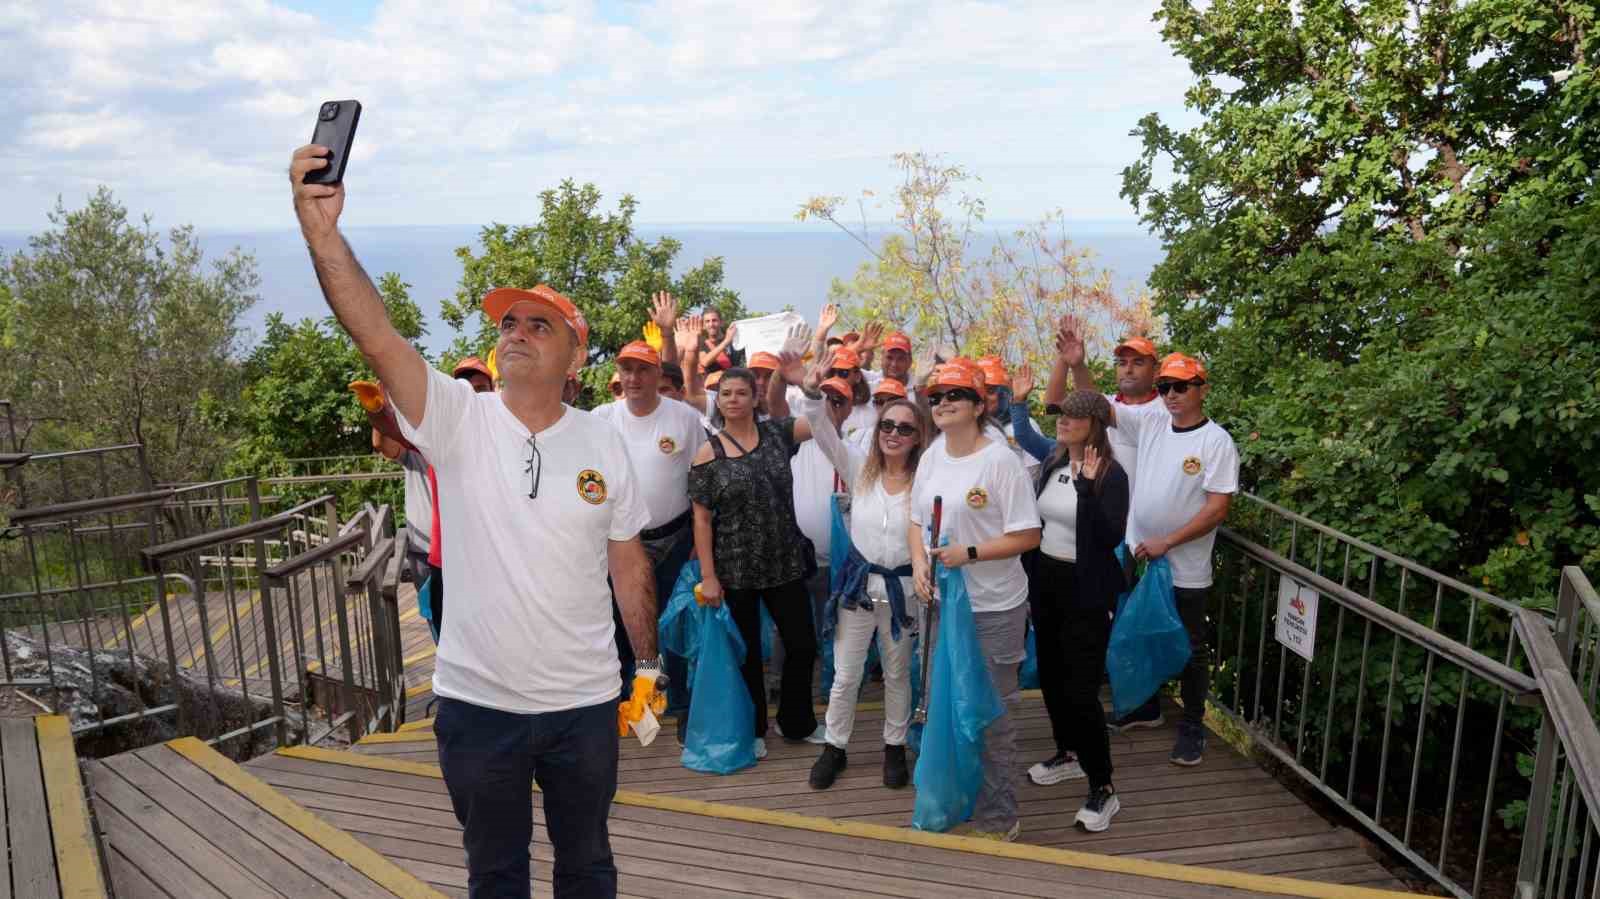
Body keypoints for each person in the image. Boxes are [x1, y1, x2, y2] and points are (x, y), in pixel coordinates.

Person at [291, 143, 660, 899]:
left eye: (540, 324)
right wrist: (323, 234)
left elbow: (628, 562)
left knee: (588, 867)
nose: (516, 330)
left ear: (575, 358)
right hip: (477, 705)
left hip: (584, 704)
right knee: (495, 876)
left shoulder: (606, 439)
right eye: (510, 320)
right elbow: (378, 336)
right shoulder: (456, 415)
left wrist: (647, 666)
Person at [1062, 327, 1239, 767]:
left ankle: (1193, 725)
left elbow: (1218, 509)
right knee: (1137, 632)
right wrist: (1078, 364)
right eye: (1166, 386)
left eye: (1182, 387)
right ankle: (1144, 706)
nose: (1172, 394)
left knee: (1191, 646)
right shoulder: (1156, 420)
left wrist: (1169, 541)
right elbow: (1098, 406)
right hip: (1140, 556)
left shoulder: (1216, 441)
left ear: (1202, 389)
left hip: (1184, 566)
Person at [907, 363, 1042, 841]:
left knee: (991, 713)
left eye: (955, 395)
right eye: (936, 395)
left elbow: (1028, 534)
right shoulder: (931, 456)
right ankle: (959, 796)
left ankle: (999, 816)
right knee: (946, 703)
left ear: (981, 404)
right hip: (940, 605)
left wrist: (969, 553)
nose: (942, 403)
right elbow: (915, 522)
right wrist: (920, 564)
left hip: (993, 608)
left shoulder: (1001, 461)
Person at [793, 354, 928, 791]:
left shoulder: (926, 477)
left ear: (916, 437)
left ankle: (894, 745)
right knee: (846, 673)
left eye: (905, 428)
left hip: (905, 590)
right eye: (887, 425)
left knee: (897, 672)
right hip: (858, 589)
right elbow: (821, 430)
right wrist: (813, 392)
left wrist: (922, 387)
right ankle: (835, 746)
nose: (893, 434)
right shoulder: (857, 467)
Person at [688, 368, 826, 758]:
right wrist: (708, 576)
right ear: (719, 401)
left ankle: (796, 722)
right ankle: (754, 729)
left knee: (802, 645)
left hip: (785, 562)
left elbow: (822, 423)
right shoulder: (708, 451)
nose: (732, 399)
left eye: (741, 392)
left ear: (755, 398)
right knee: (746, 654)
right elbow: (701, 518)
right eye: (726, 393)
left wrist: (808, 386)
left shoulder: (779, 435)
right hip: (735, 569)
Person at [1016, 389, 1130, 832]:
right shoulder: (1053, 462)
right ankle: (1068, 752)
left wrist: (1085, 488)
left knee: (1082, 690)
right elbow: (1040, 525)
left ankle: (1103, 786)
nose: (1062, 421)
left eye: (1073, 417)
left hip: (1088, 590)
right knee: (1050, 676)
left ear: (1094, 425)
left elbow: (1106, 538)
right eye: (1061, 414)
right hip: (1048, 581)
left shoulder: (1111, 475)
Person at [592, 334, 707, 728]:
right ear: (618, 373)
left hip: (676, 538)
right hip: (621, 542)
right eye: (627, 369)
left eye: (643, 369)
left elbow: (702, 479)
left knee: (671, 622)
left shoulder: (684, 418)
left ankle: (673, 703)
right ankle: (632, 699)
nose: (634, 377)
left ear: (658, 373)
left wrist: (699, 539)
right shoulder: (601, 419)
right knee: (623, 621)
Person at [697, 309, 742, 374]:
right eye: (707, 321)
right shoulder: (702, 343)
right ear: (703, 326)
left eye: (714, 320)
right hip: (712, 382)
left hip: (733, 381)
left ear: (721, 322)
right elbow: (704, 362)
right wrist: (726, 341)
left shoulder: (734, 340)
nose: (711, 324)